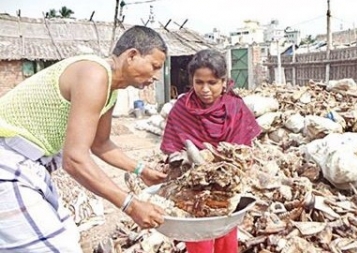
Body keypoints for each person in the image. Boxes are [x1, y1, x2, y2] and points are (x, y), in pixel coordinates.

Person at [0, 26, 169, 253]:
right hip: (8, 162)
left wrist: (142, 170)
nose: (156, 76)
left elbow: (100, 144)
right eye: (155, 66)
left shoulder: (111, 89)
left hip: (30, 166)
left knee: (67, 238)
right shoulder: (94, 74)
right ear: (131, 56)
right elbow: (75, 159)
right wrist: (130, 205)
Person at [160, 49, 261, 253]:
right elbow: (172, 149)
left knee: (226, 237)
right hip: (193, 188)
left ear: (224, 81)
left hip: (226, 188)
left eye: (212, 83)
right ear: (192, 81)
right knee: (198, 240)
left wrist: (224, 168)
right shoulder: (182, 108)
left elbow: (244, 152)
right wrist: (180, 161)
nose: (205, 89)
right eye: (199, 82)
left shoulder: (235, 107)